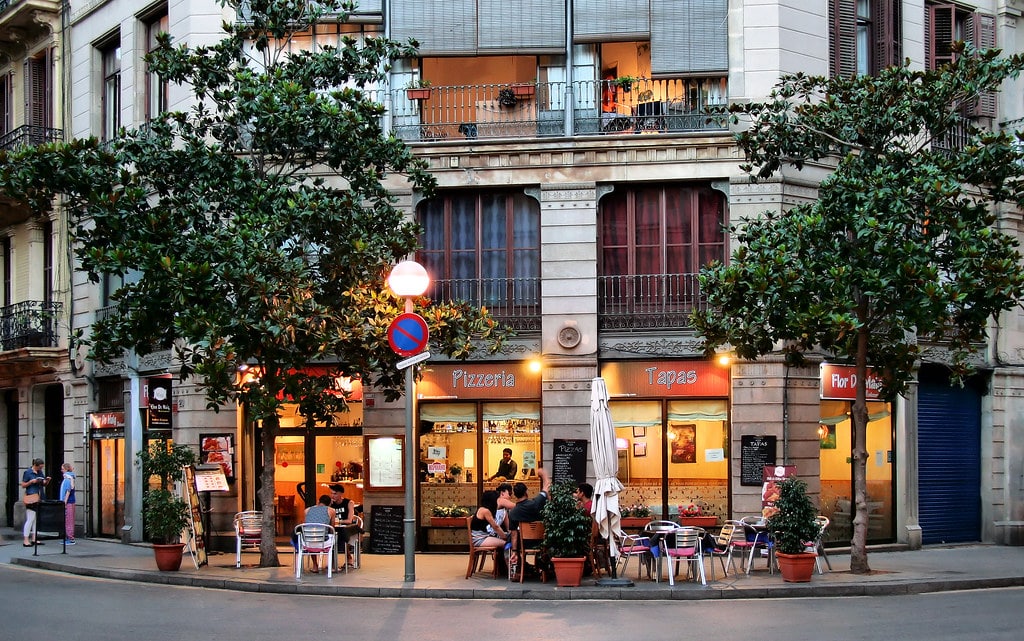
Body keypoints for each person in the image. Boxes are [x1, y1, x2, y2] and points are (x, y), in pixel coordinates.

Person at [329, 483, 360, 568]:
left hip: (347, 528)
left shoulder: (349, 502)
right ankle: (332, 561)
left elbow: (350, 520)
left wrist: (338, 521)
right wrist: (328, 505)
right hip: (334, 528)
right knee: (330, 535)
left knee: (343, 535)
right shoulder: (329, 504)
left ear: (341, 494)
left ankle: (349, 557)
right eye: (331, 493)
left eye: (335, 493)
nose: (332, 496)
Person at [21, 458, 50, 547]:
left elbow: (44, 483)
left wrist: (47, 480)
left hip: (39, 496)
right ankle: (26, 540)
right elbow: (23, 485)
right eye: (40, 467)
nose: (41, 469)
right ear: (35, 465)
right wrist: (31, 481)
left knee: (35, 519)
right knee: (30, 519)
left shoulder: (40, 472)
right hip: (31, 497)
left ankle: (34, 538)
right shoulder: (28, 472)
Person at [59, 463, 77, 545]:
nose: (61, 470)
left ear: (66, 470)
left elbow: (68, 491)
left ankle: (70, 538)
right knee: (69, 520)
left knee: (68, 520)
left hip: (69, 502)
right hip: (70, 502)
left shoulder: (67, 479)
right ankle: (69, 537)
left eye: (62, 469)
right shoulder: (70, 478)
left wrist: (64, 502)